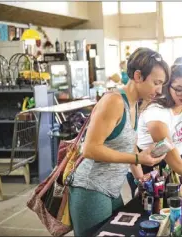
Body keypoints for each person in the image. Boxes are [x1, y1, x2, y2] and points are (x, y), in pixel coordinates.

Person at [68, 47, 170, 236]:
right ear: (138, 76)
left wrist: (140, 177)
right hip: (91, 188)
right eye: (156, 83)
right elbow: (89, 149)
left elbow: (129, 144)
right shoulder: (114, 102)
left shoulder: (135, 104)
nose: (159, 90)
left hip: (112, 188)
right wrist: (138, 158)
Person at [136, 63, 182, 196]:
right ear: (167, 87)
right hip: (152, 164)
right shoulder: (156, 110)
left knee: (180, 206)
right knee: (154, 209)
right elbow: (167, 148)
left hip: (179, 160)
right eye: (179, 89)